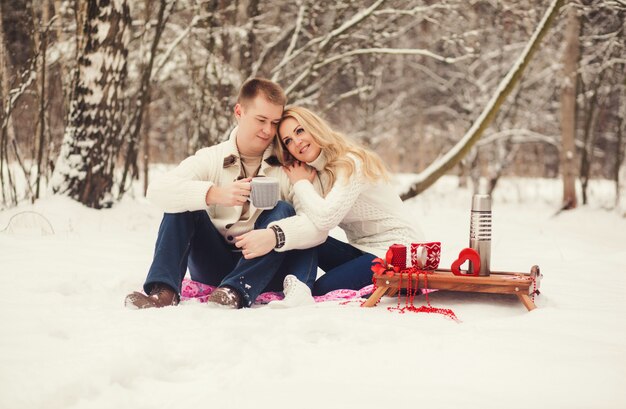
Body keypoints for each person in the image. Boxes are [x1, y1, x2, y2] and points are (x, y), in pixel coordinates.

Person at [125, 79, 327, 310]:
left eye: (274, 123)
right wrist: (213, 194)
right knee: (181, 206)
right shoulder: (211, 158)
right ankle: (164, 292)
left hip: (264, 270)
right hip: (214, 264)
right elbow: (157, 191)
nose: (268, 131)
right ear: (239, 112)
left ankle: (236, 291)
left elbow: (316, 226)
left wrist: (275, 236)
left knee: (283, 209)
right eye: (261, 120)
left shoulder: (289, 167)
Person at [241, 106, 424, 306]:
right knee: (303, 234)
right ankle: (291, 285)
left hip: (399, 254)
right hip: (362, 251)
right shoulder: (314, 173)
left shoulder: (351, 162)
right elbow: (309, 222)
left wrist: (301, 183)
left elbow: (326, 218)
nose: (297, 142)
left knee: (320, 290)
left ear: (314, 127)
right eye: (288, 141)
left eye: (300, 131)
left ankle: (303, 290)